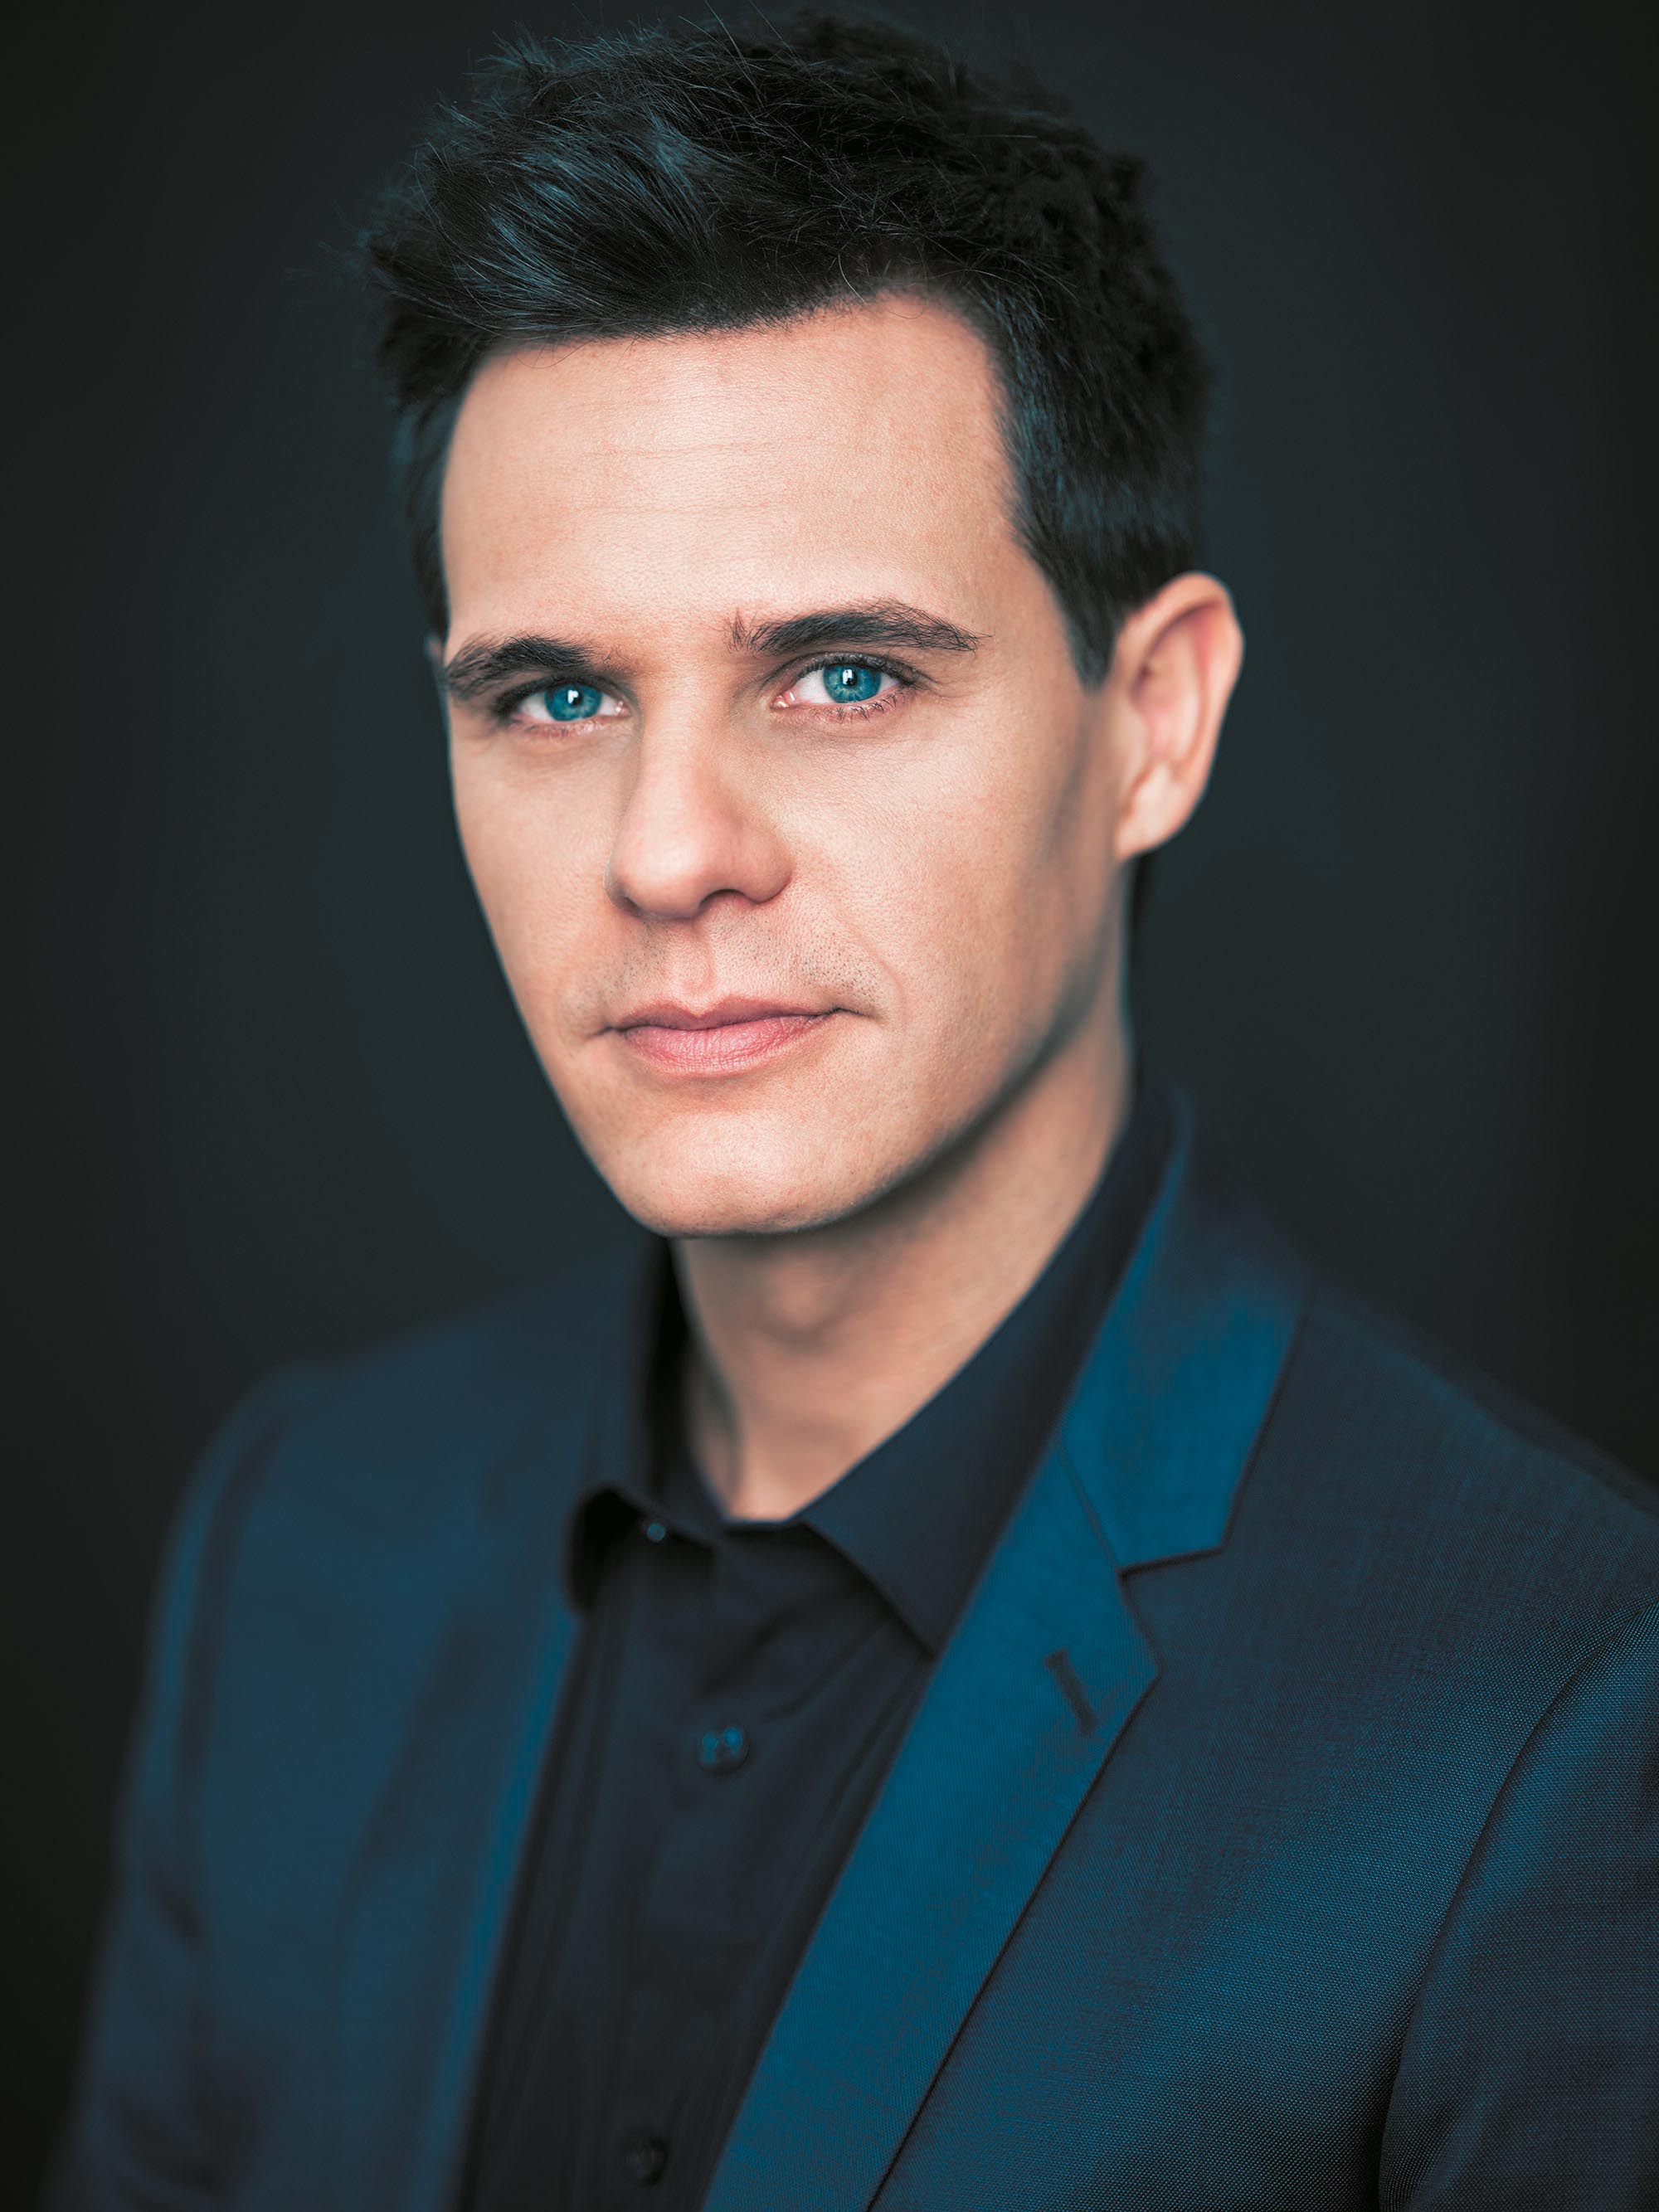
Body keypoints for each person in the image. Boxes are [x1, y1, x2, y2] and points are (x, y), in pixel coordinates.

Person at [50, 12, 1659, 2210]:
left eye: (841, 675)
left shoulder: (1560, 1702)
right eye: (559, 695)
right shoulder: (301, 1539)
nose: (667, 851)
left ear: (1153, 722)